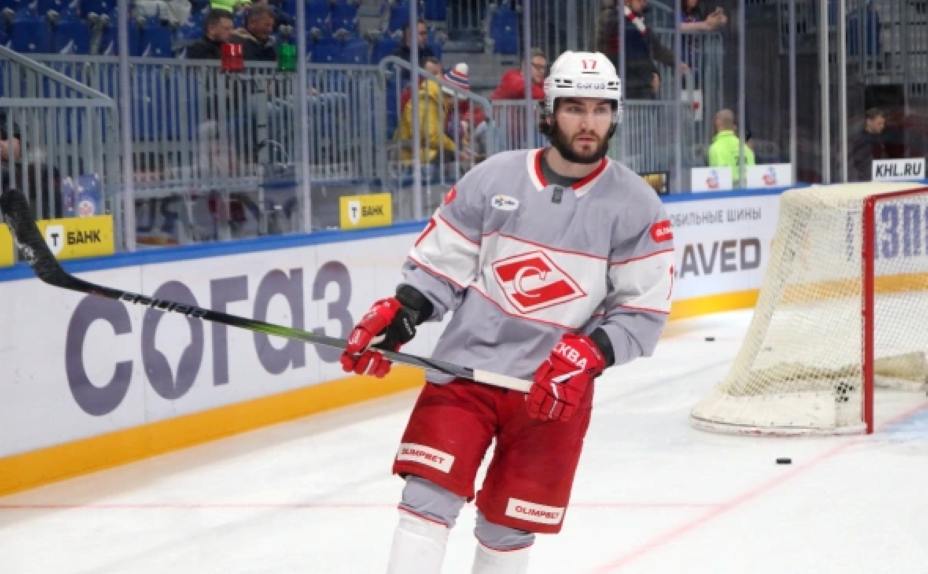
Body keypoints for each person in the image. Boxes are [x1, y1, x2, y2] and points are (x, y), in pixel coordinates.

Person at [341, 50, 674, 574]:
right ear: (549, 110)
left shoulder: (637, 205)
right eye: (574, 108)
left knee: (507, 530)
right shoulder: (493, 177)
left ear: (615, 115)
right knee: (426, 502)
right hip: (464, 374)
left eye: (600, 109)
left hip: (550, 394)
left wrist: (589, 353)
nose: (588, 123)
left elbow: (642, 312)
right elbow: (440, 269)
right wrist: (403, 314)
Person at [597, 0, 689, 99]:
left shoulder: (638, 22)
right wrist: (651, 75)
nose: (644, 3)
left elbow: (655, 48)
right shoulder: (616, 20)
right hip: (624, 83)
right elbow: (633, 54)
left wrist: (676, 62)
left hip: (638, 83)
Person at [393, 75, 468, 165]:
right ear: (451, 95)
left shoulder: (438, 102)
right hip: (410, 153)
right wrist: (455, 149)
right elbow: (432, 137)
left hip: (421, 150)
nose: (457, 104)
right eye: (458, 100)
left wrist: (460, 148)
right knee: (449, 154)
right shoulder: (429, 101)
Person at [440, 62, 488, 158]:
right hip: (445, 150)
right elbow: (437, 136)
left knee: (485, 126)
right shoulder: (438, 104)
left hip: (457, 144)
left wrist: (466, 121)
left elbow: (477, 111)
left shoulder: (454, 107)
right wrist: (458, 150)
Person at [707, 108, 755, 185]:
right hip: (746, 191)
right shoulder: (746, 148)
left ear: (717, 123)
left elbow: (717, 179)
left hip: (727, 191)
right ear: (733, 125)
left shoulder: (715, 149)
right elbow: (753, 176)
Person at [851, 107, 888, 181]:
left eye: (883, 123)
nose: (882, 126)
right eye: (879, 123)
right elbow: (861, 163)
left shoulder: (878, 138)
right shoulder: (861, 140)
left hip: (879, 178)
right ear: (869, 122)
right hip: (866, 180)